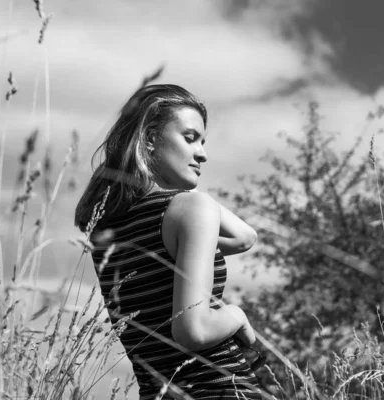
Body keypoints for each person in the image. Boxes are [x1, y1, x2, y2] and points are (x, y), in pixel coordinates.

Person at [74, 84, 265, 399]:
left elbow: (244, 238)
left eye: (202, 141)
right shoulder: (189, 208)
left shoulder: (105, 229)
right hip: (221, 391)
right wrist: (236, 315)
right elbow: (194, 330)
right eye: (190, 138)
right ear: (149, 139)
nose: (202, 153)